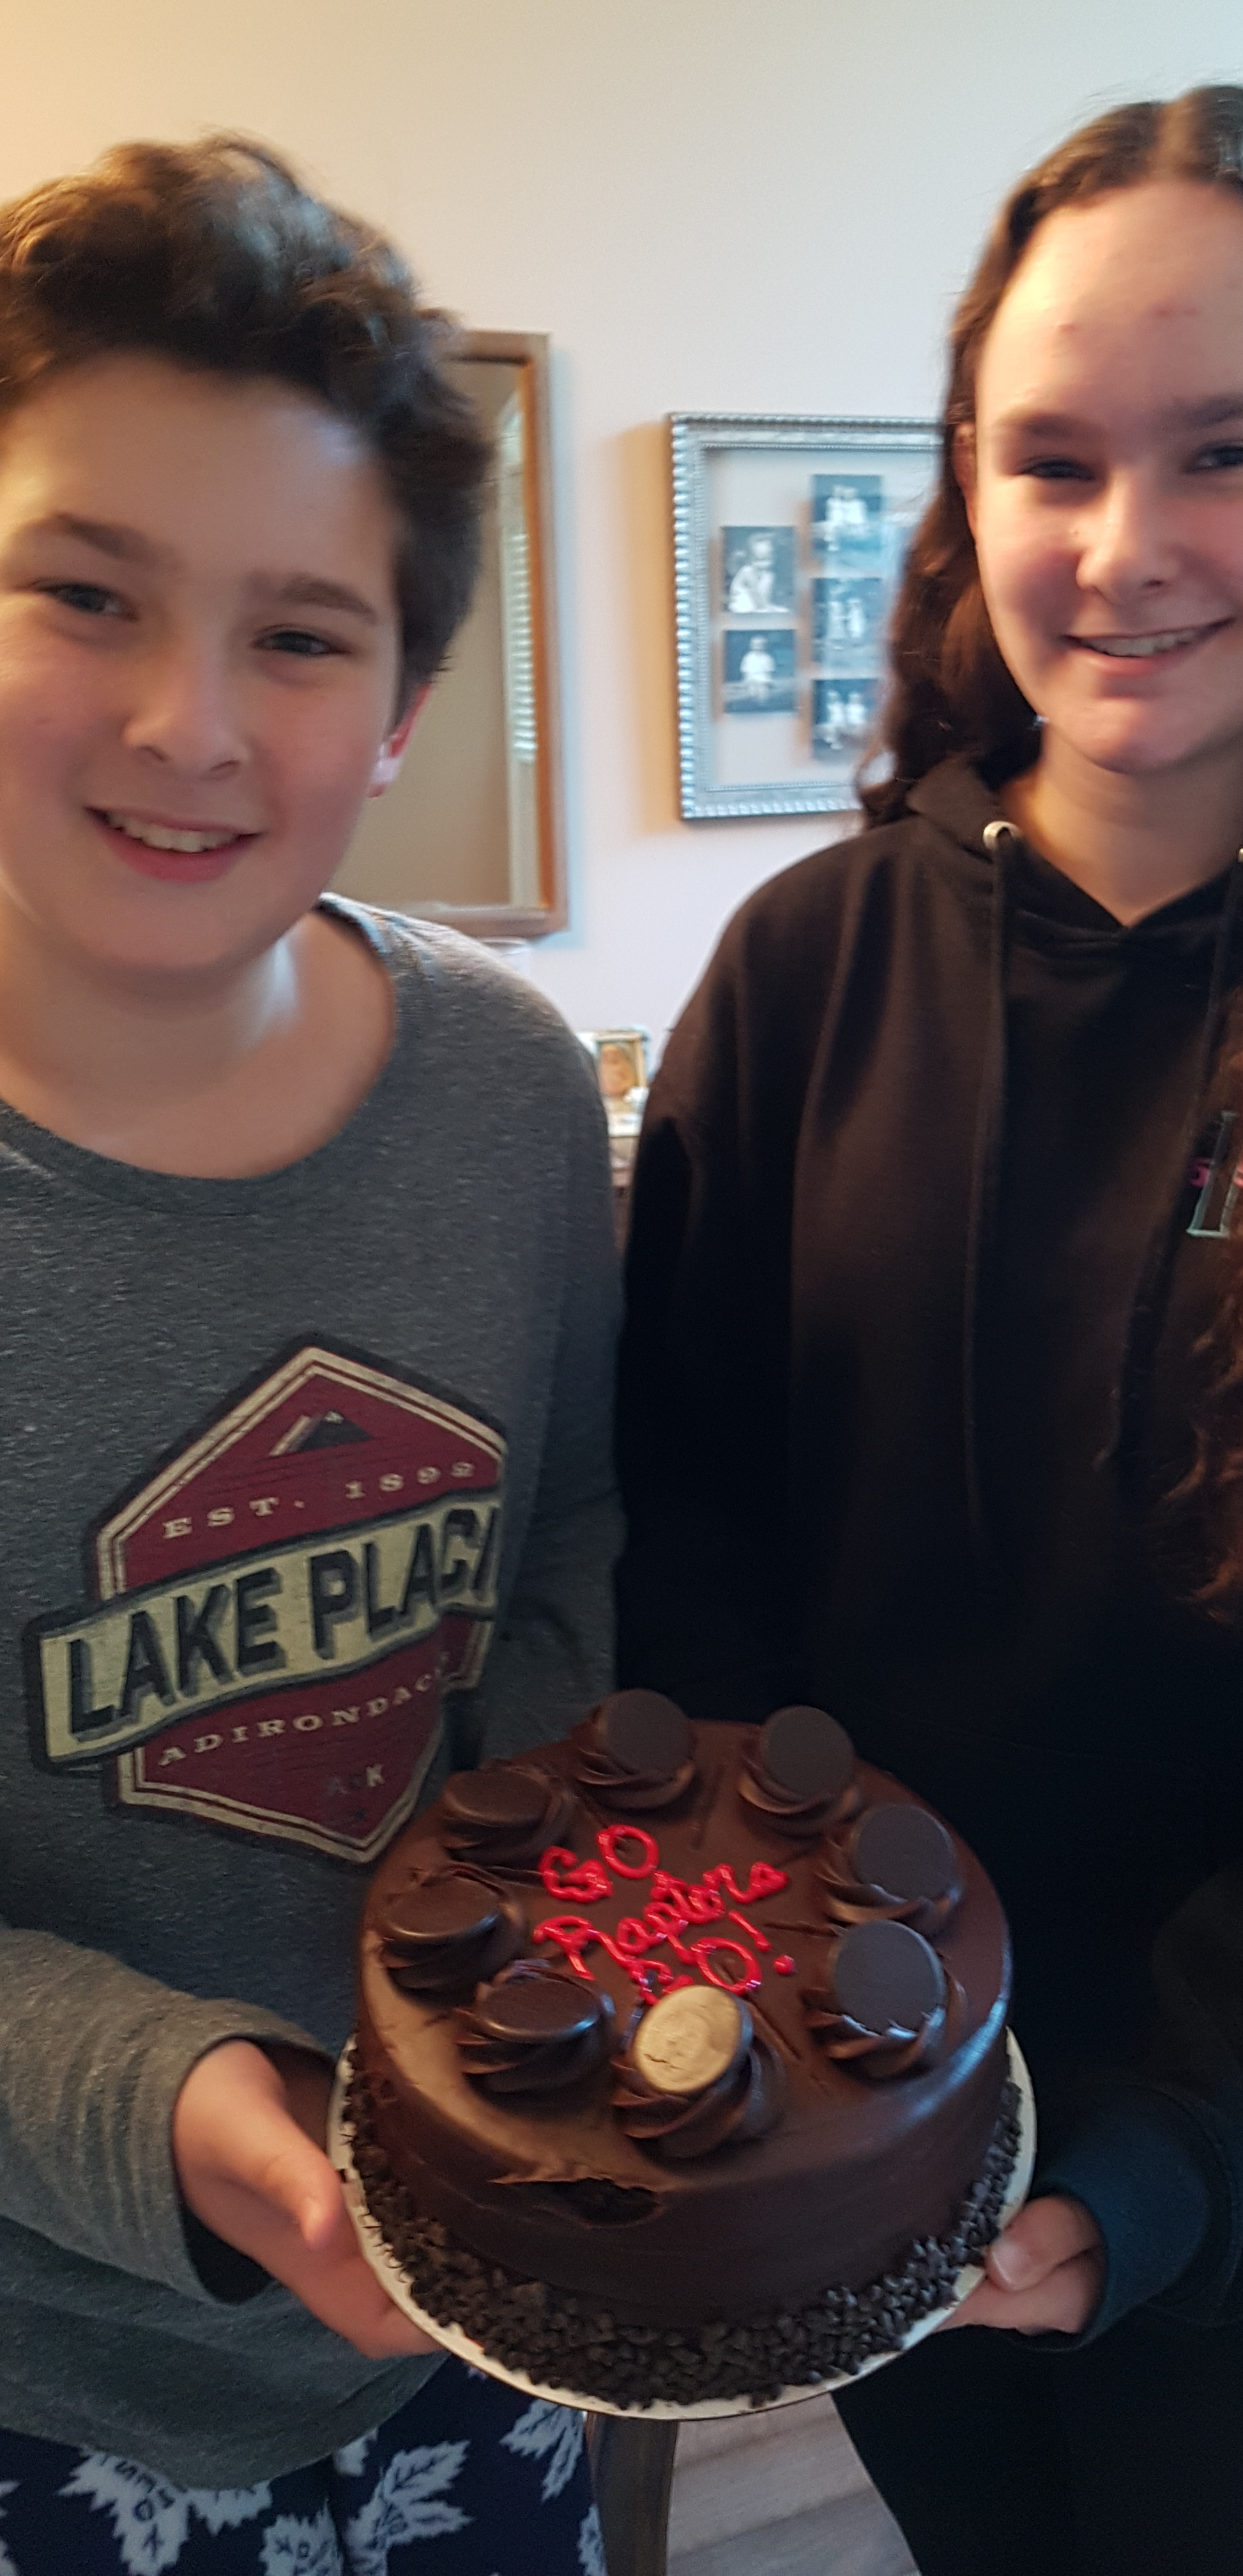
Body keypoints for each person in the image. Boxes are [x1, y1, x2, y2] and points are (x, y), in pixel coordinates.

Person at [616, 84, 1243, 2576]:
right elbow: (691, 1536)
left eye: (1225, 453)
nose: (1122, 547)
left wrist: (1160, 2164)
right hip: (864, 2124)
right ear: (963, 477)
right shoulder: (802, 971)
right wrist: (812, 2042)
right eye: (1051, 458)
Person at [0, 139, 615, 2572]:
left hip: (478, 2319)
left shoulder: (507, 1093)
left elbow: (566, 1530)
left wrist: (531, 1924)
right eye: (86, 593)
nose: (188, 724)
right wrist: (180, 2110)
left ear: (401, 710)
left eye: (299, 634)